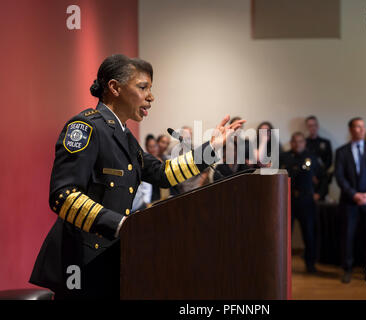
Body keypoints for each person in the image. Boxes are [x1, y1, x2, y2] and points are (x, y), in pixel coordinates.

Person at [29, 54, 245, 299]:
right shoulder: (85, 128)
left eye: (150, 89)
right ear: (115, 87)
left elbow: (163, 174)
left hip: (109, 256)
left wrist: (212, 148)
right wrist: (120, 225)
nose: (151, 97)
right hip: (79, 260)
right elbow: (63, 196)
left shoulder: (124, 136)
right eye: (143, 87)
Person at [335, 117, 366, 283]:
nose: (361, 130)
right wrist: (354, 194)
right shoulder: (341, 151)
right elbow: (339, 177)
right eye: (357, 127)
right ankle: (347, 269)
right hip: (350, 201)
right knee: (348, 236)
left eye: (363, 127)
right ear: (350, 130)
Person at [280, 132, 319, 273]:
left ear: (304, 143)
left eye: (300, 141)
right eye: (295, 141)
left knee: (309, 234)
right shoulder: (284, 157)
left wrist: (319, 194)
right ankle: (283, 265)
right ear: (291, 143)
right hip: (287, 201)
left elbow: (323, 177)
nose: (298, 144)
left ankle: (310, 264)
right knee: (285, 235)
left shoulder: (311, 158)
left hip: (306, 201)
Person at [305, 116, 333, 200]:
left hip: (323, 179)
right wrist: (311, 175)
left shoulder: (325, 142)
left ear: (318, 126)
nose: (312, 127)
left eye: (314, 125)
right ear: (307, 127)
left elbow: (329, 161)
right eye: (310, 125)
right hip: (308, 179)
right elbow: (303, 160)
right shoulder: (303, 143)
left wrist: (319, 175)